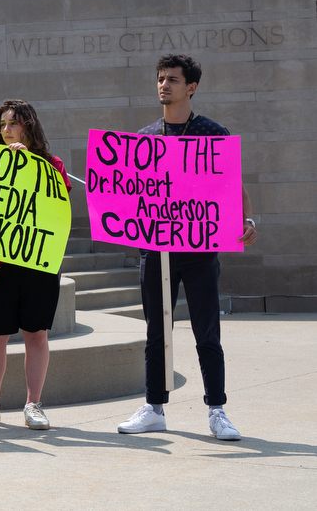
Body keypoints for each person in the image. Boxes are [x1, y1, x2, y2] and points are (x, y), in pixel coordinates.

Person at [117, 54, 256, 440]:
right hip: (155, 251)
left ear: (191, 87)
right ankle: (154, 406)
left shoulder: (213, 132)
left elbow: (233, 186)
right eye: (160, 79)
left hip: (199, 253)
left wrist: (246, 222)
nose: (164, 85)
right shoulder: (144, 138)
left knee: (206, 331)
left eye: (173, 80)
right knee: (155, 332)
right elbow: (129, 195)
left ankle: (217, 410)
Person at [0, 100, 71, 431]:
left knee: (36, 334)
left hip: (38, 263)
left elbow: (58, 212)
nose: (5, 130)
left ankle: (33, 404)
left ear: (29, 127)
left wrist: (26, 166)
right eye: (2, 125)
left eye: (13, 124)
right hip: (0, 265)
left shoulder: (52, 165)